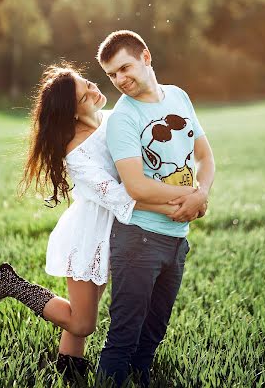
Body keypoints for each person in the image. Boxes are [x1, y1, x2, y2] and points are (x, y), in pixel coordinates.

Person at [0, 64, 197, 381]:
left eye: (90, 83)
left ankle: (69, 369)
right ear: (71, 111)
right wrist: (172, 205)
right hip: (88, 237)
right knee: (83, 322)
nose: (96, 90)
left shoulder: (112, 120)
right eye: (86, 95)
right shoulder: (76, 153)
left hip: (120, 232)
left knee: (84, 311)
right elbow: (118, 195)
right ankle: (14, 285)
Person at [96, 30, 215, 387]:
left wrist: (203, 192)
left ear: (146, 57)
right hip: (138, 240)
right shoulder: (122, 118)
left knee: (152, 337)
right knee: (123, 340)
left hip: (177, 237)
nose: (120, 80)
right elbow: (136, 185)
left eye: (125, 68)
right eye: (112, 75)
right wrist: (190, 199)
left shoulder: (178, 97)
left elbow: (205, 156)